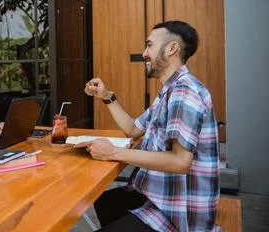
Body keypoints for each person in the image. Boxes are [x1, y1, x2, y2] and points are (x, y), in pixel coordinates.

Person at [82, 20, 220, 231]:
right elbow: (133, 129)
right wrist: (106, 96)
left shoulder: (184, 91)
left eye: (150, 45)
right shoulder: (169, 91)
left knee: (110, 205)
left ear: (172, 48)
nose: (145, 53)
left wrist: (113, 152)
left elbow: (180, 162)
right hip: (159, 195)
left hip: (179, 214)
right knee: (106, 202)